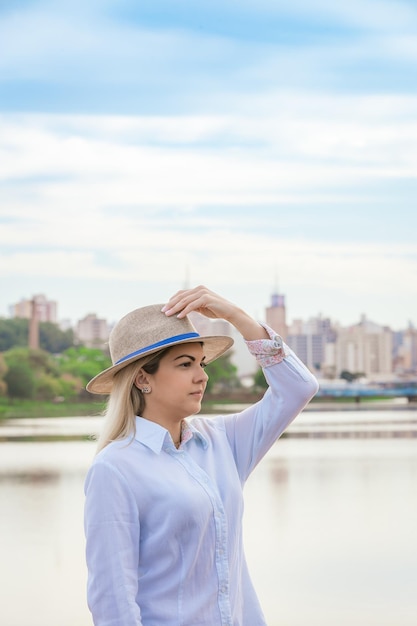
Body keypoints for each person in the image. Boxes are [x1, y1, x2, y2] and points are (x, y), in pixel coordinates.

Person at [84, 285, 318, 626]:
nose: (202, 376)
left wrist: (236, 317)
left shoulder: (222, 441)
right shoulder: (115, 468)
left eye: (201, 362)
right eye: (184, 364)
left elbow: (299, 388)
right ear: (142, 378)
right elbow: (113, 601)